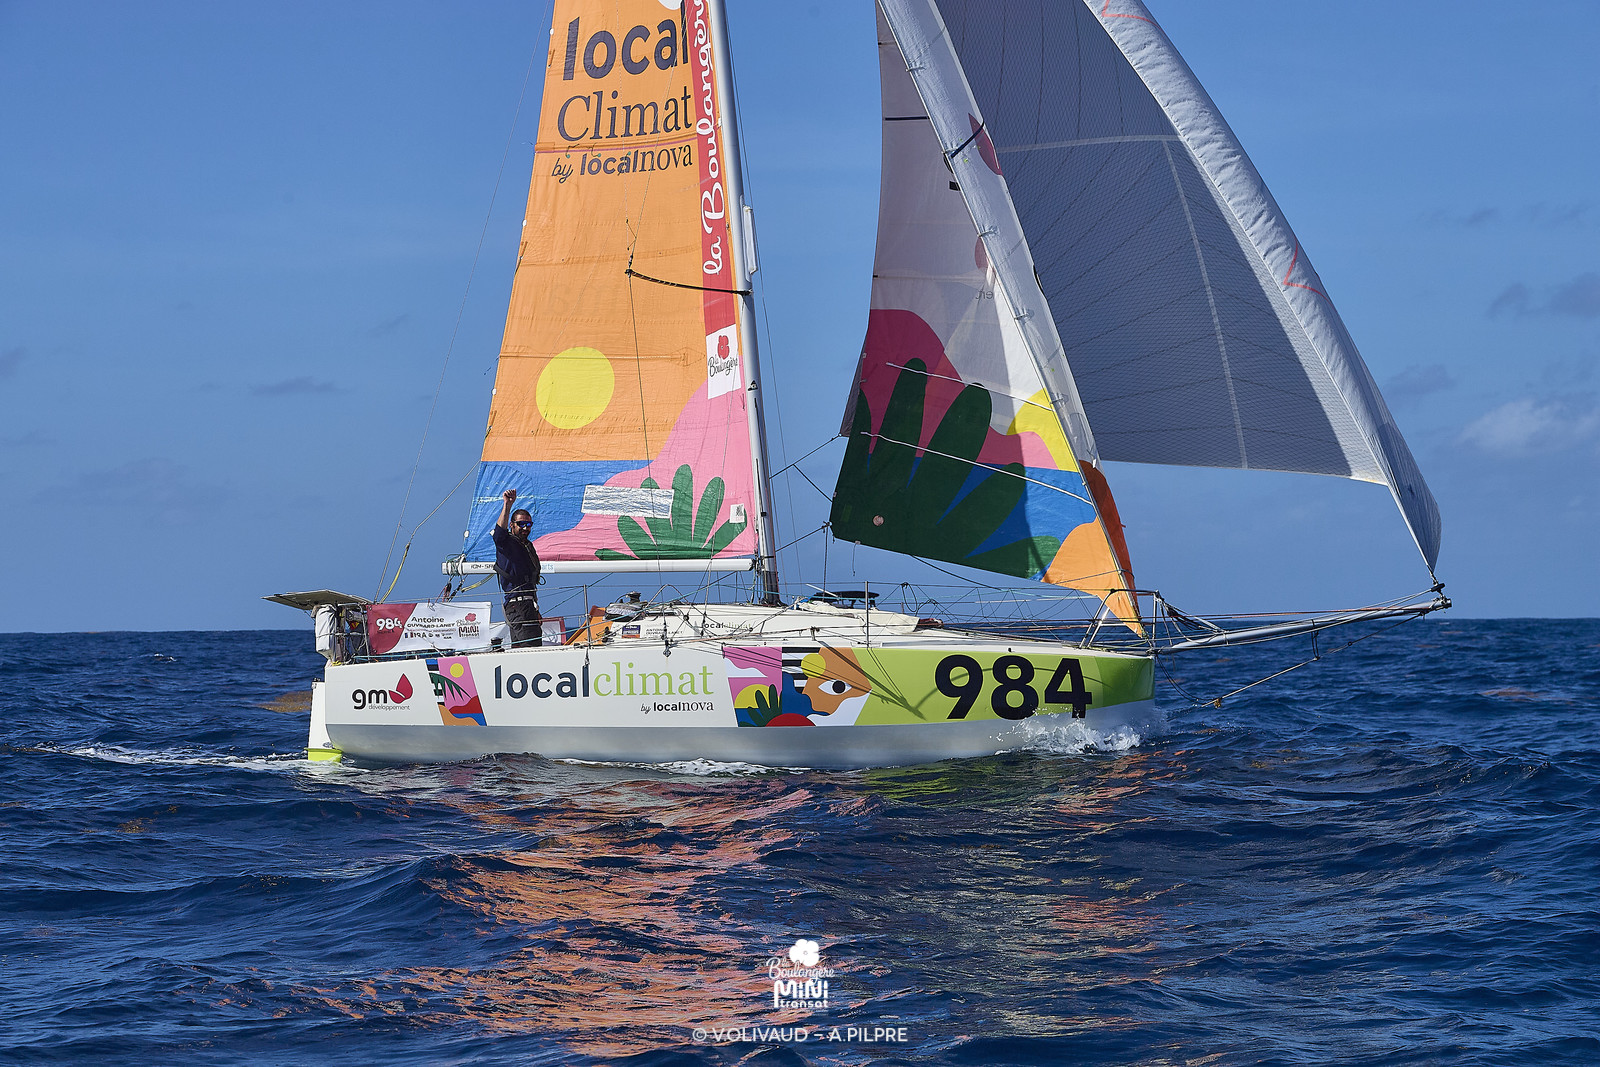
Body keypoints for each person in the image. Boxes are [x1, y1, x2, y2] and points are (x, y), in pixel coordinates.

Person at [493, 488, 543, 648]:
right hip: (518, 606)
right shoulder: (506, 543)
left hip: (527, 606)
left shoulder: (527, 545)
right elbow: (499, 534)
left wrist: (535, 607)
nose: (525, 528)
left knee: (526, 649)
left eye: (528, 524)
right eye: (521, 524)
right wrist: (507, 505)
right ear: (512, 525)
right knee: (529, 650)